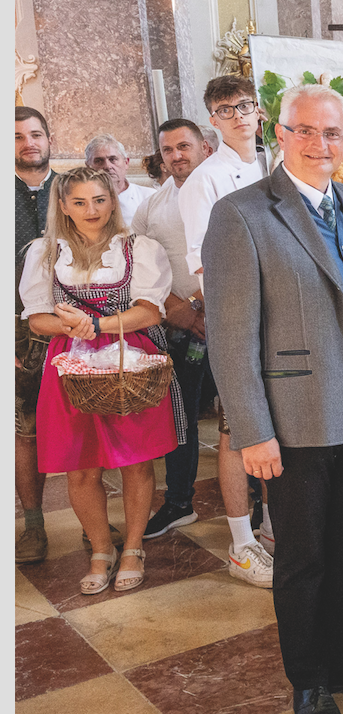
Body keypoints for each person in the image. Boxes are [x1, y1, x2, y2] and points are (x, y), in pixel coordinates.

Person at [204, 83, 343, 714]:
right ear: (282, 133)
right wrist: (252, 432)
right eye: (307, 131)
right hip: (292, 418)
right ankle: (309, 679)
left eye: (333, 134)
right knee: (303, 555)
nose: (321, 145)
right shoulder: (241, 215)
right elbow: (231, 338)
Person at [20, 166, 181, 595]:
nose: (91, 210)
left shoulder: (138, 248)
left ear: (113, 200)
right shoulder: (43, 252)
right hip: (70, 365)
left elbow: (149, 311)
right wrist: (73, 328)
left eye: (99, 200)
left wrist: (99, 323)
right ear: (63, 206)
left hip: (129, 357)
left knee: (135, 459)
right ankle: (99, 549)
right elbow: (37, 318)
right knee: (80, 465)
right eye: (79, 202)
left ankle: (132, 548)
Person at [179, 74, 276, 588]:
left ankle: (270, 523)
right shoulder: (205, 181)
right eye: (226, 108)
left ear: (259, 111)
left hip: (282, 314)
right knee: (238, 429)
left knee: (276, 423)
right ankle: (241, 543)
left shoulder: (274, 162)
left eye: (246, 105)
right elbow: (203, 263)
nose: (239, 115)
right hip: (238, 315)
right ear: (212, 120)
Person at [135, 119, 215, 539]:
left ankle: (258, 500)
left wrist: (203, 306)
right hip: (179, 324)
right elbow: (141, 265)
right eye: (168, 150)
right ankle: (179, 502)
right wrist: (175, 309)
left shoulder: (226, 190)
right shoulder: (153, 205)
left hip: (229, 318)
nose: (177, 156)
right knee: (179, 418)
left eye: (184, 146)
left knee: (241, 415)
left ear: (204, 146)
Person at [15, 106, 57, 563]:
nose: (29, 143)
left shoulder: (72, 189)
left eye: (35, 134)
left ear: (49, 139)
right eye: (18, 137)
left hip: (70, 320)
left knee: (83, 415)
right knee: (25, 429)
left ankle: (93, 517)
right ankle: (34, 524)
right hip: (16, 327)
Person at [85, 134, 153, 224]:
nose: (107, 166)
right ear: (88, 166)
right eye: (99, 161)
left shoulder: (149, 197)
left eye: (113, 159)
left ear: (126, 163)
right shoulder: (80, 201)